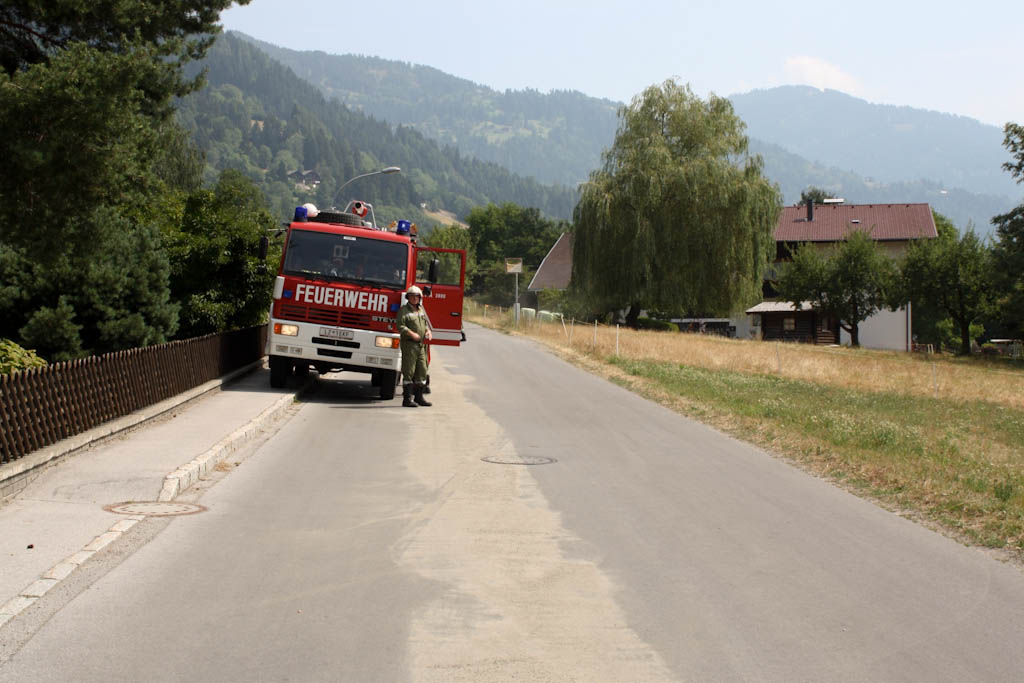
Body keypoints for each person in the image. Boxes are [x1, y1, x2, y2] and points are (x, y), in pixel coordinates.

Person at [396, 285, 432, 407]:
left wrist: (428, 331)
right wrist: (412, 334)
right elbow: (400, 326)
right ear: (408, 297)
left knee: (422, 369)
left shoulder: (421, 310)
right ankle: (407, 399)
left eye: (417, 296)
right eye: (412, 296)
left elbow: (424, 324)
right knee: (409, 371)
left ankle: (419, 397)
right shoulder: (404, 310)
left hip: (421, 345)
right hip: (409, 345)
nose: (415, 298)